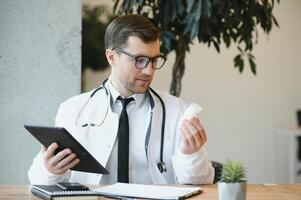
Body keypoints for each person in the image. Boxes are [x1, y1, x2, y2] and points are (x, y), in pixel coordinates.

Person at [28, 14, 214, 185]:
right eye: (140, 60)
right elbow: (37, 180)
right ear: (111, 57)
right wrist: (50, 170)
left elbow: (203, 183)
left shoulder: (177, 111)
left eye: (154, 60)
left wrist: (192, 156)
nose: (149, 70)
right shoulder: (73, 110)